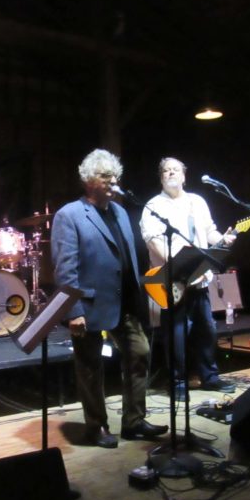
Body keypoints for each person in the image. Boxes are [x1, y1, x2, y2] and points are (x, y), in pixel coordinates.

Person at [51, 149, 168, 448]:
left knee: (139, 352)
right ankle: (96, 427)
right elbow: (65, 269)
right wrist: (73, 310)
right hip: (89, 305)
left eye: (115, 175)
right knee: (90, 367)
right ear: (89, 180)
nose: (113, 181)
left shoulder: (119, 211)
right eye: (105, 176)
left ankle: (134, 421)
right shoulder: (70, 215)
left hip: (125, 301)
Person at [140, 157, 236, 402]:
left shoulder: (198, 202)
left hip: (201, 279)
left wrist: (222, 239)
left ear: (184, 176)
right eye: (166, 171)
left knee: (206, 330)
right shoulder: (153, 205)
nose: (171, 173)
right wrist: (178, 266)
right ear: (161, 178)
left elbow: (209, 231)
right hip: (173, 281)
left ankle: (210, 377)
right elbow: (153, 240)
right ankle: (178, 381)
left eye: (176, 170)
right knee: (176, 334)